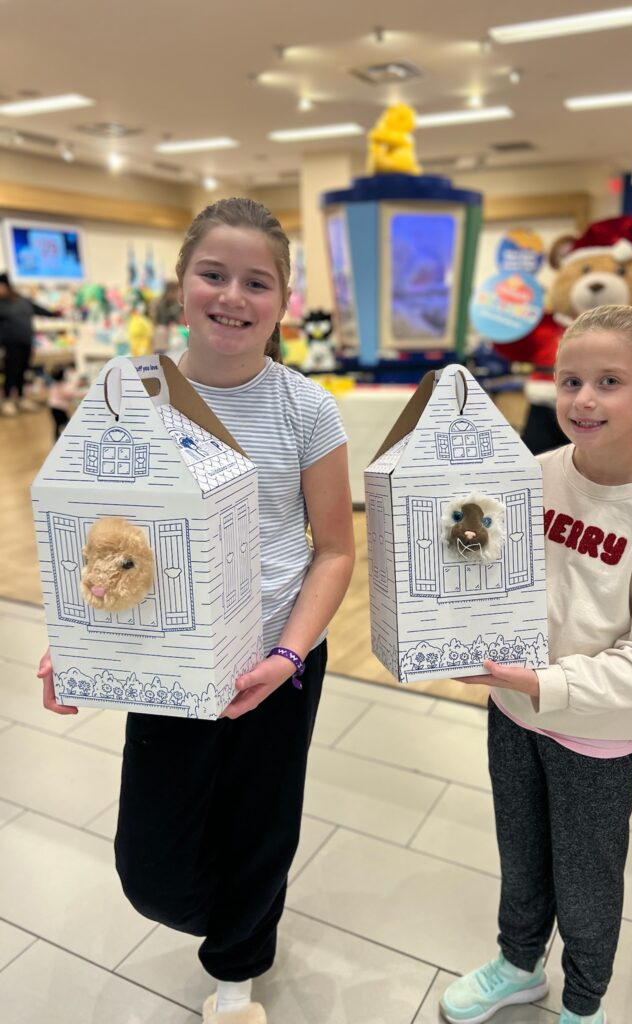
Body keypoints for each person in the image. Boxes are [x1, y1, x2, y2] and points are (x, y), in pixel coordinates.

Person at [37, 197, 355, 1024]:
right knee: (153, 867)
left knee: (261, 824)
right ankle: (229, 914)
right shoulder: (128, 393)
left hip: (277, 660)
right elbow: (97, 534)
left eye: (257, 282)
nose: (232, 297)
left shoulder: (305, 408)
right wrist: (78, 642)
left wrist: (288, 655)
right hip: (166, 657)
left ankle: (238, 971)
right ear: (181, 284)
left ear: (283, 302)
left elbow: (333, 549)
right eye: (213, 274)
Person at [440, 304, 632, 1024]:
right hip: (512, 712)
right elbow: (484, 562)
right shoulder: (531, 474)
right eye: (570, 381)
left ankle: (584, 1004)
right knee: (521, 854)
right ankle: (519, 964)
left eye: (609, 382)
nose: (584, 400)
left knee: (587, 881)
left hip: (597, 738)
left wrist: (541, 682)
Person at [0, 271, 60, 416]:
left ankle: (21, 398)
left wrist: (54, 313)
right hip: (10, 344)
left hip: (26, 341)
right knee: (11, 371)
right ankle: (7, 400)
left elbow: (39, 309)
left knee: (23, 370)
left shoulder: (22, 300)